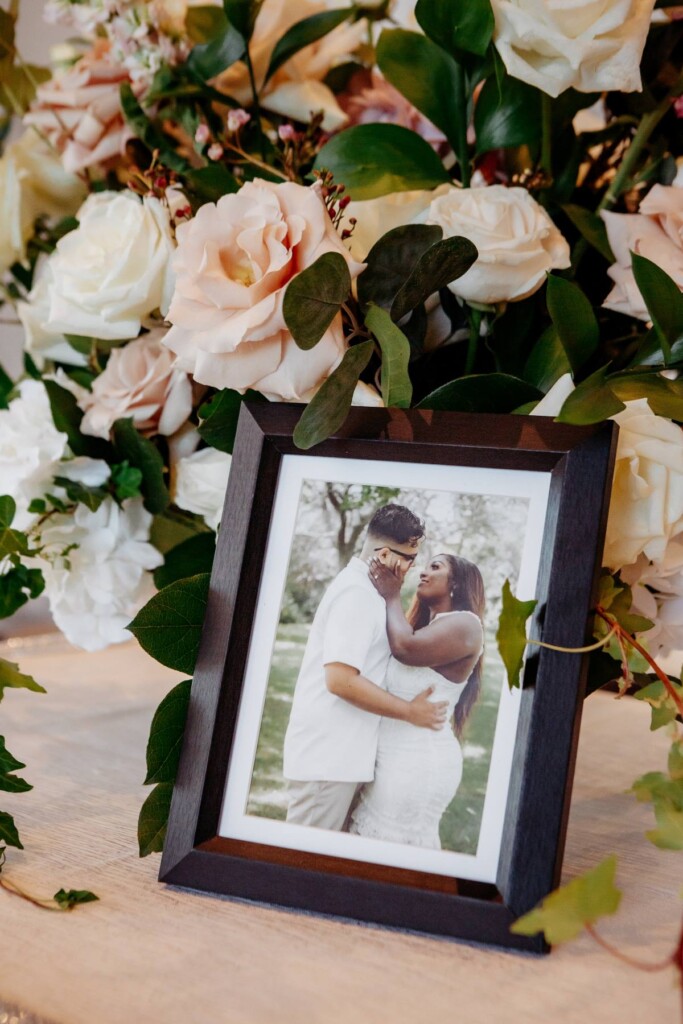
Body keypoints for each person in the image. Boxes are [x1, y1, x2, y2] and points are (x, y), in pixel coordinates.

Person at [282, 504, 449, 831]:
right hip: (326, 761)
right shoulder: (356, 594)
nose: (412, 568)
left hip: (339, 759)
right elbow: (341, 680)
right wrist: (409, 711)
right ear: (385, 555)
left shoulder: (370, 592)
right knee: (300, 870)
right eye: (410, 559)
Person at [350, 552, 485, 849]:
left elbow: (404, 648)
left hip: (418, 762)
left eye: (435, 567)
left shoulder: (467, 624)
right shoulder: (431, 627)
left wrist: (391, 595)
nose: (423, 572)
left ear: (457, 585)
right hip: (393, 759)